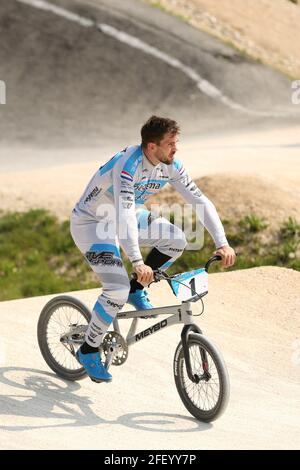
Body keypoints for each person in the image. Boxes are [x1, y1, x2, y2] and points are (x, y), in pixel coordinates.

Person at [70, 116, 236, 382]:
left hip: (127, 216)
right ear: (151, 146)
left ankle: (137, 288)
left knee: (176, 240)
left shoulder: (170, 165)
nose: (175, 148)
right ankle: (89, 350)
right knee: (116, 289)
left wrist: (222, 242)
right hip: (93, 223)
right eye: (170, 143)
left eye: (176, 143)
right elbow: (122, 213)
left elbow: (199, 201)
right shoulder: (128, 165)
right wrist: (136, 261)